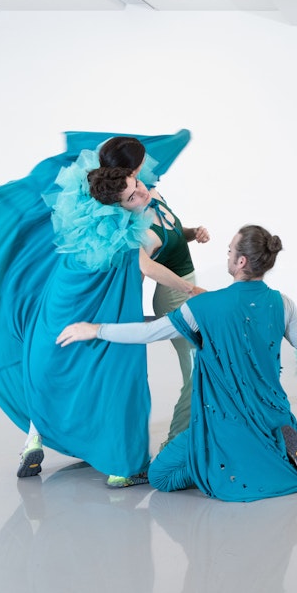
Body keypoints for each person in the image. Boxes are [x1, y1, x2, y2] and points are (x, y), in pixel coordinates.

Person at [0, 130, 197, 488]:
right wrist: (193, 288)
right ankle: (122, 465)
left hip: (63, 291)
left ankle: (35, 438)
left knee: (50, 359)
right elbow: (145, 264)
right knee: (116, 370)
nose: (144, 181)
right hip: (94, 298)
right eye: (136, 179)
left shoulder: (85, 192)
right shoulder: (120, 221)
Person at [57, 225, 297, 502]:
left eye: (230, 251)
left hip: (224, 422)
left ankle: (220, 459)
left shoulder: (206, 306)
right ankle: (277, 445)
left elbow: (149, 332)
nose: (227, 255)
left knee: (161, 476)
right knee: (250, 441)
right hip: (273, 413)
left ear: (241, 262)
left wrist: (96, 330)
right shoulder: (283, 303)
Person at [98, 137, 210, 446]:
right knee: (196, 371)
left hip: (188, 289)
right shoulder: (139, 230)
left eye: (138, 183)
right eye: (132, 194)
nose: (141, 191)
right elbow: (146, 267)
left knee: (203, 366)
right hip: (175, 297)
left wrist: (192, 233)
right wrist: (191, 288)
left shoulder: (152, 194)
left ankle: (195, 434)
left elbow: (174, 234)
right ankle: (175, 442)